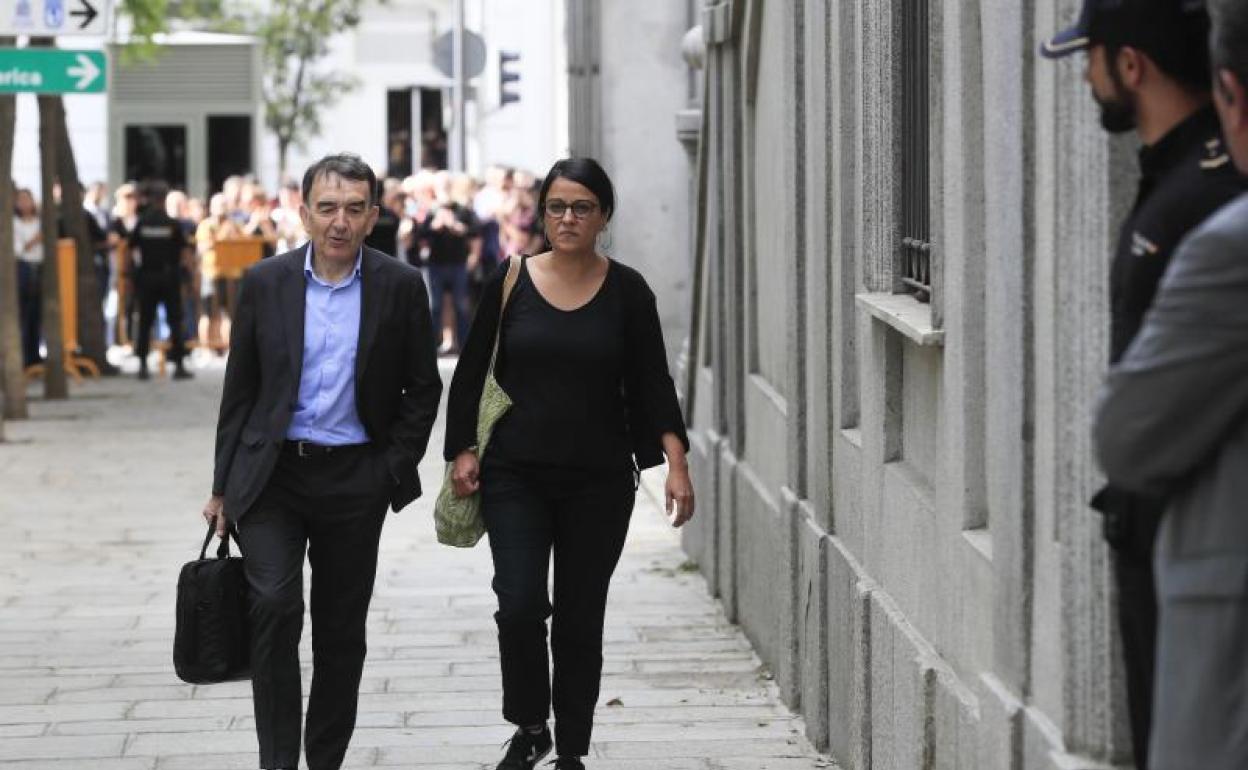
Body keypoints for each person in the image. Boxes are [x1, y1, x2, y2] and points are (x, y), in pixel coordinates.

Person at [1040, 2, 1245, 765]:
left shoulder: (1209, 199)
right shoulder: (1176, 182)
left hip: (1191, 536)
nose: (1086, 80)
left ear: (1131, 66)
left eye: (1089, 60)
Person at [445, 158, 695, 770]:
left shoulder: (629, 290)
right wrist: (463, 449)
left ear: (603, 216)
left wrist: (677, 462)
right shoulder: (510, 281)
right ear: (541, 213)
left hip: (599, 482)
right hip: (516, 477)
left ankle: (573, 749)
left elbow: (651, 380)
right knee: (521, 601)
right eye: (557, 206)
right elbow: (471, 371)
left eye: (582, 207)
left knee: (582, 616)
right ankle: (532, 725)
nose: (568, 218)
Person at [202, 153, 442, 770]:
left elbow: (423, 387)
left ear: (373, 216)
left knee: (340, 633)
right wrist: (222, 485)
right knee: (275, 607)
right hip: (273, 474)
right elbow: (242, 390)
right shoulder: (265, 283)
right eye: (328, 208)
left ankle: (325, 759)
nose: (340, 222)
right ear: (304, 211)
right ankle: (278, 761)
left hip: (354, 479)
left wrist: (391, 466)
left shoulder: (398, 285)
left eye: (354, 209)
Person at [128, 180, 193, 381]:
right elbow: (184, 251)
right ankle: (179, 365)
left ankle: (142, 366)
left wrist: (130, 274)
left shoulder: (142, 222)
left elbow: (132, 248)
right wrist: (187, 275)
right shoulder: (172, 224)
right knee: (175, 319)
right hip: (169, 276)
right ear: (165, 199)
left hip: (147, 276)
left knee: (146, 320)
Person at [421, 173, 480, 353]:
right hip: (436, 265)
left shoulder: (462, 210)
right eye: (441, 186)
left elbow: (474, 232)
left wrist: (455, 226)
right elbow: (421, 236)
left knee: (461, 306)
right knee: (435, 306)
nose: (444, 190)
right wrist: (435, 226)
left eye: (447, 185)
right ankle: (430, 348)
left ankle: (464, 347)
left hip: (458, 264)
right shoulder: (431, 211)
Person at [13, 188, 43, 367]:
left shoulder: (40, 222)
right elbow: (19, 249)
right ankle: (24, 356)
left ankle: (35, 355)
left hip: (40, 268)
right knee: (24, 314)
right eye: (21, 200)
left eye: (27, 199)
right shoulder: (14, 223)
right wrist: (35, 240)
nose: (25, 203)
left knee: (36, 315)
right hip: (24, 268)